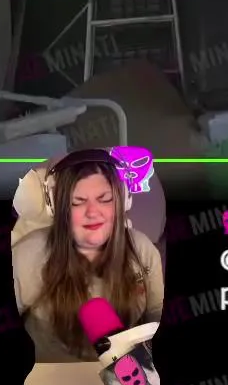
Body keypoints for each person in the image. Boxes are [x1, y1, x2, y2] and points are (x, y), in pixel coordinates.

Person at [12, 149, 164, 365]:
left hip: (124, 373)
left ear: (123, 200)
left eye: (105, 199)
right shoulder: (27, 255)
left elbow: (157, 311)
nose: (92, 212)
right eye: (78, 202)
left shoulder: (142, 249)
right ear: (57, 207)